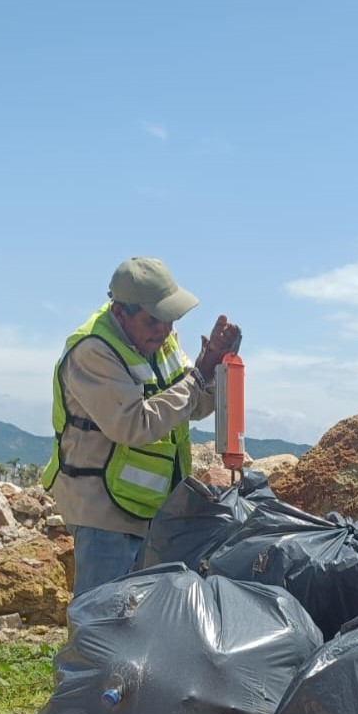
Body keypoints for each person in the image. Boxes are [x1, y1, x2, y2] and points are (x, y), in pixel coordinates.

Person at [42, 256, 241, 597]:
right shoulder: (93, 350)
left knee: (146, 617)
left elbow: (191, 405)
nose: (163, 329)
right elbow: (134, 425)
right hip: (104, 511)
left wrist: (213, 367)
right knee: (103, 616)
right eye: (153, 320)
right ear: (120, 313)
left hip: (151, 506)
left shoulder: (160, 340)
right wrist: (197, 378)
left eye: (168, 318)